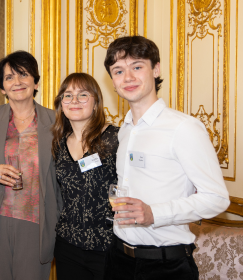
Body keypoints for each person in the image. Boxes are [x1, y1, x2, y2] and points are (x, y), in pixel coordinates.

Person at [102, 36, 230, 280]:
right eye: (118, 71)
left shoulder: (183, 128)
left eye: (137, 67)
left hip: (165, 266)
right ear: (112, 80)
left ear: (156, 69)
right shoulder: (125, 129)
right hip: (117, 259)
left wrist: (154, 213)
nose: (127, 78)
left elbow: (217, 199)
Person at [0, 50, 62, 280]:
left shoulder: (56, 120)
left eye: (23, 74)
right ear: (2, 87)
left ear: (36, 81)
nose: (17, 82)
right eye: (9, 77)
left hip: (37, 221)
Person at [51, 73, 118, 279]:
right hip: (67, 245)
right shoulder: (59, 143)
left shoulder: (115, 138)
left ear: (96, 103)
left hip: (108, 246)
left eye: (83, 95)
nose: (74, 101)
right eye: (68, 95)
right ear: (61, 104)